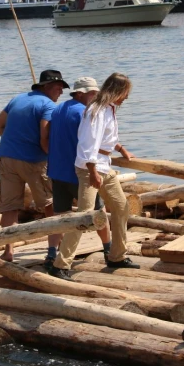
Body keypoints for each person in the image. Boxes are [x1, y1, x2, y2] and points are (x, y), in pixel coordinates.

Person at [50, 73, 139, 280]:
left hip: (104, 166)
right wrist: (92, 172)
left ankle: (117, 255)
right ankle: (60, 264)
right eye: (125, 93)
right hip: (92, 168)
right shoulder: (97, 111)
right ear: (117, 91)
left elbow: (106, 140)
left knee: (121, 206)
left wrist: (121, 150)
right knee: (85, 215)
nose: (126, 98)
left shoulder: (109, 109)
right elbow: (88, 143)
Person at [0, 69, 68, 262]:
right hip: (34, 161)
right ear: (49, 87)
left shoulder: (17, 99)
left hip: (7, 158)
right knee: (50, 204)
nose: (61, 93)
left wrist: (14, 144)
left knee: (9, 207)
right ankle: (56, 246)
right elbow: (45, 136)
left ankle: (8, 251)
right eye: (59, 88)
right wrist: (53, 155)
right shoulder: (48, 105)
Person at [45, 77, 111, 271]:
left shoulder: (58, 109)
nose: (96, 98)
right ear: (81, 93)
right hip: (77, 172)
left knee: (60, 216)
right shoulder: (84, 112)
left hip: (57, 171)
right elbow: (93, 139)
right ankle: (108, 250)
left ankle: (51, 253)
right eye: (93, 94)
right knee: (98, 212)